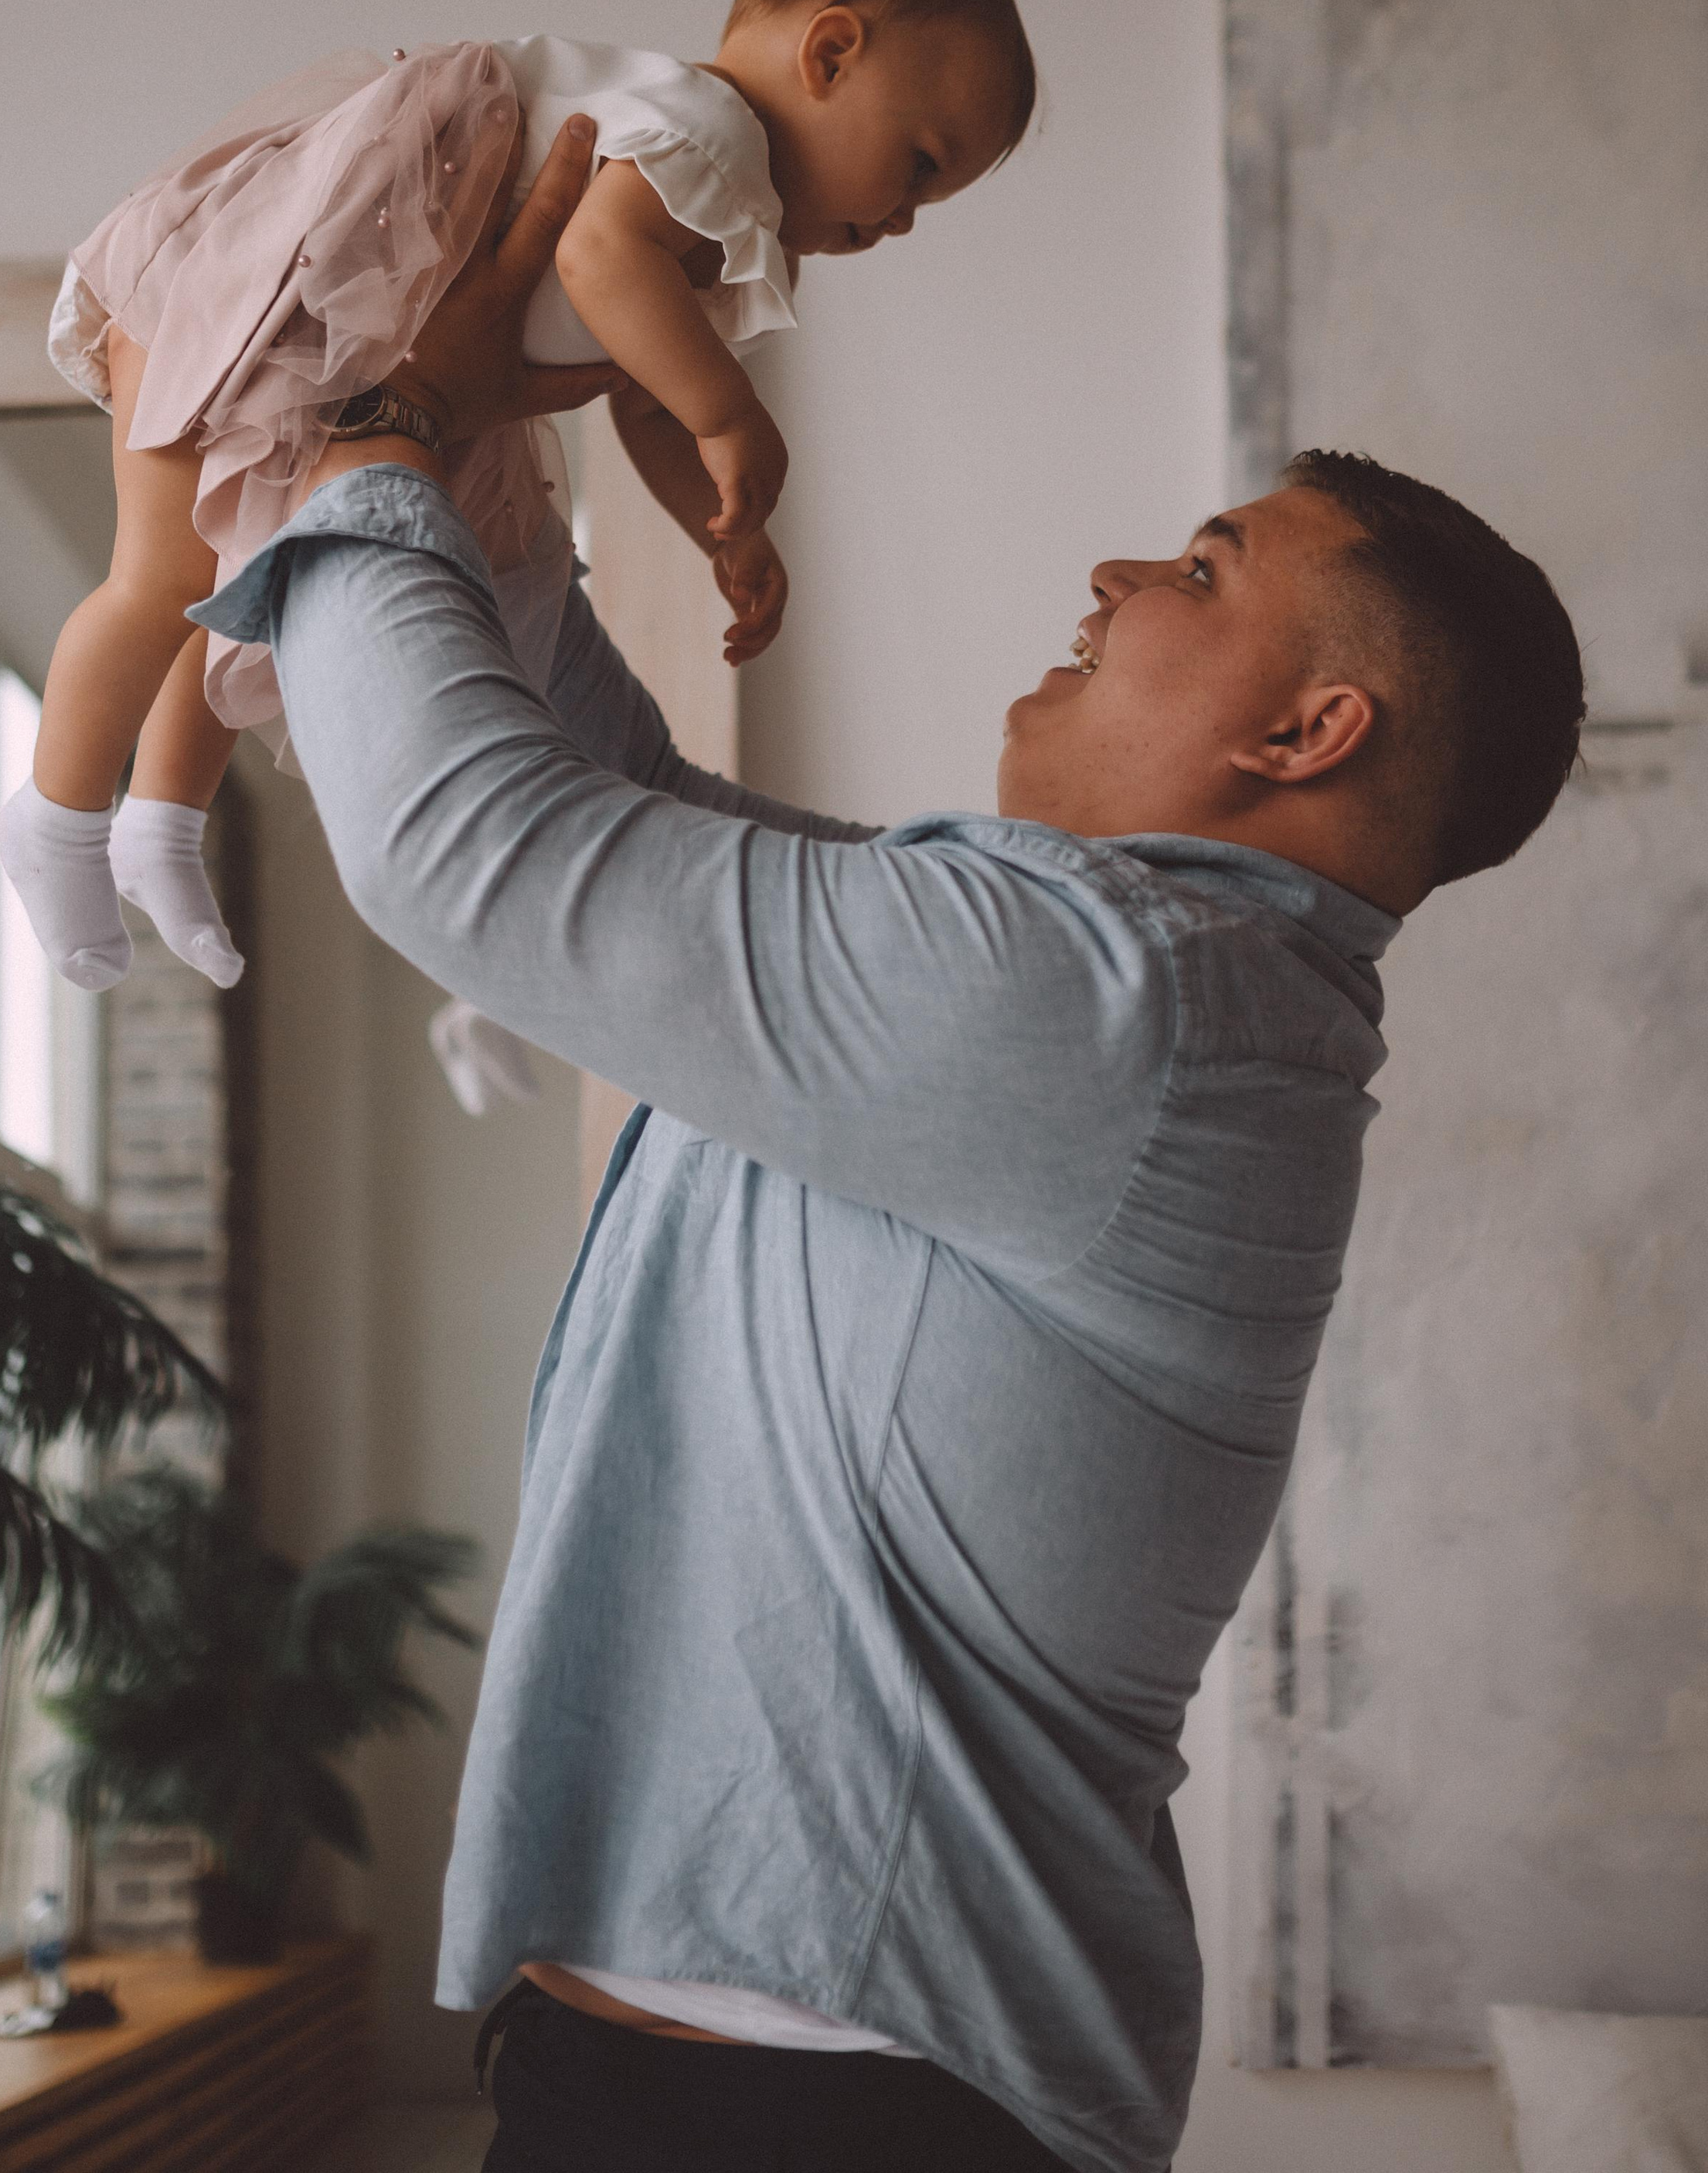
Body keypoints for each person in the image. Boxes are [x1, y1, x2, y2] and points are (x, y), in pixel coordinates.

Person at [196, 123, 1586, 2173]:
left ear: (1307, 734)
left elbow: (472, 851)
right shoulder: (1125, 995)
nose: (1119, 577)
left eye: (1200, 573)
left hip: (809, 2112)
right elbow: (612, 805)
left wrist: (377, 424)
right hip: (762, 2085)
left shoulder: (1126, 1003)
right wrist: (496, 456)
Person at [0, 0, 1035, 996]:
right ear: (830, 54)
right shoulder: (712, 131)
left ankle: (160, 827)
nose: (902, 220)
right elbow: (596, 262)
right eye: (921, 164)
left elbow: (641, 397)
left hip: (338, 343)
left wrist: (720, 527)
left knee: (243, 576)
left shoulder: (716, 212)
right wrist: (730, 412)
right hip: (256, 285)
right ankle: (54, 815)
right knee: (164, 574)